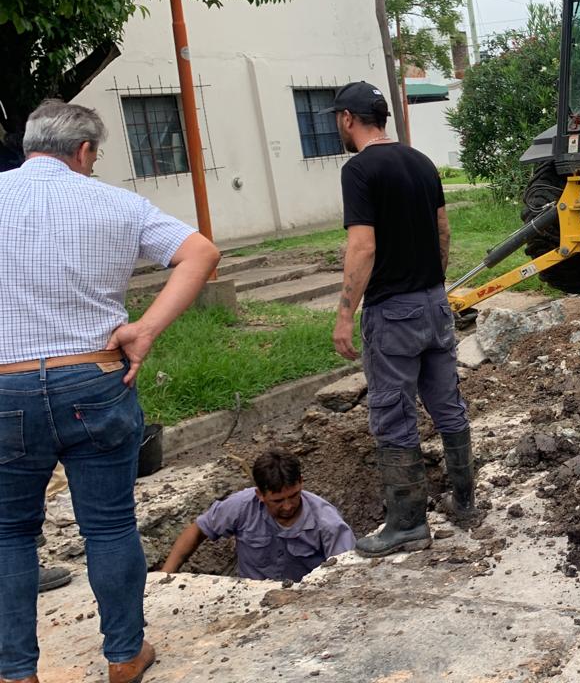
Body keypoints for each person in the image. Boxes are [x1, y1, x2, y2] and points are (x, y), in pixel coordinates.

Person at [0, 100, 220, 683]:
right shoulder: (117, 203)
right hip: (95, 378)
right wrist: (145, 329)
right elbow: (201, 253)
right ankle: (124, 657)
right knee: (109, 525)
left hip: (6, 389)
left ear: (28, 145)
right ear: (85, 151)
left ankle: (16, 671)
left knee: (9, 532)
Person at [326, 81, 476, 558]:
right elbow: (443, 230)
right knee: (446, 403)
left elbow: (362, 246)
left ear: (348, 119)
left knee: (393, 413)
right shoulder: (421, 162)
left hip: (393, 312)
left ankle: (407, 523)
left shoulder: (359, 171)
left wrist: (345, 314)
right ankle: (466, 501)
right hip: (434, 302)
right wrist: (433, 281)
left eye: (338, 121)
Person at [160, 450, 355, 581]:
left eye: (293, 496)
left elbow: (346, 572)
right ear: (260, 494)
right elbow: (198, 530)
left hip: (304, 601)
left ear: (301, 482)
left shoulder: (326, 522)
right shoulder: (241, 506)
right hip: (250, 598)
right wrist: (164, 577)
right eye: (277, 501)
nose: (287, 506)